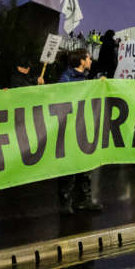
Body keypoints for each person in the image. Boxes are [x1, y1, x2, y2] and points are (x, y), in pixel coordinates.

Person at [57, 49, 103, 214]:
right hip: (70, 128)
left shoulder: (85, 78)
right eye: (89, 58)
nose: (91, 61)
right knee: (70, 167)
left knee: (86, 164)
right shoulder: (66, 78)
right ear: (82, 61)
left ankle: (84, 200)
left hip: (84, 126)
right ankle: (65, 203)